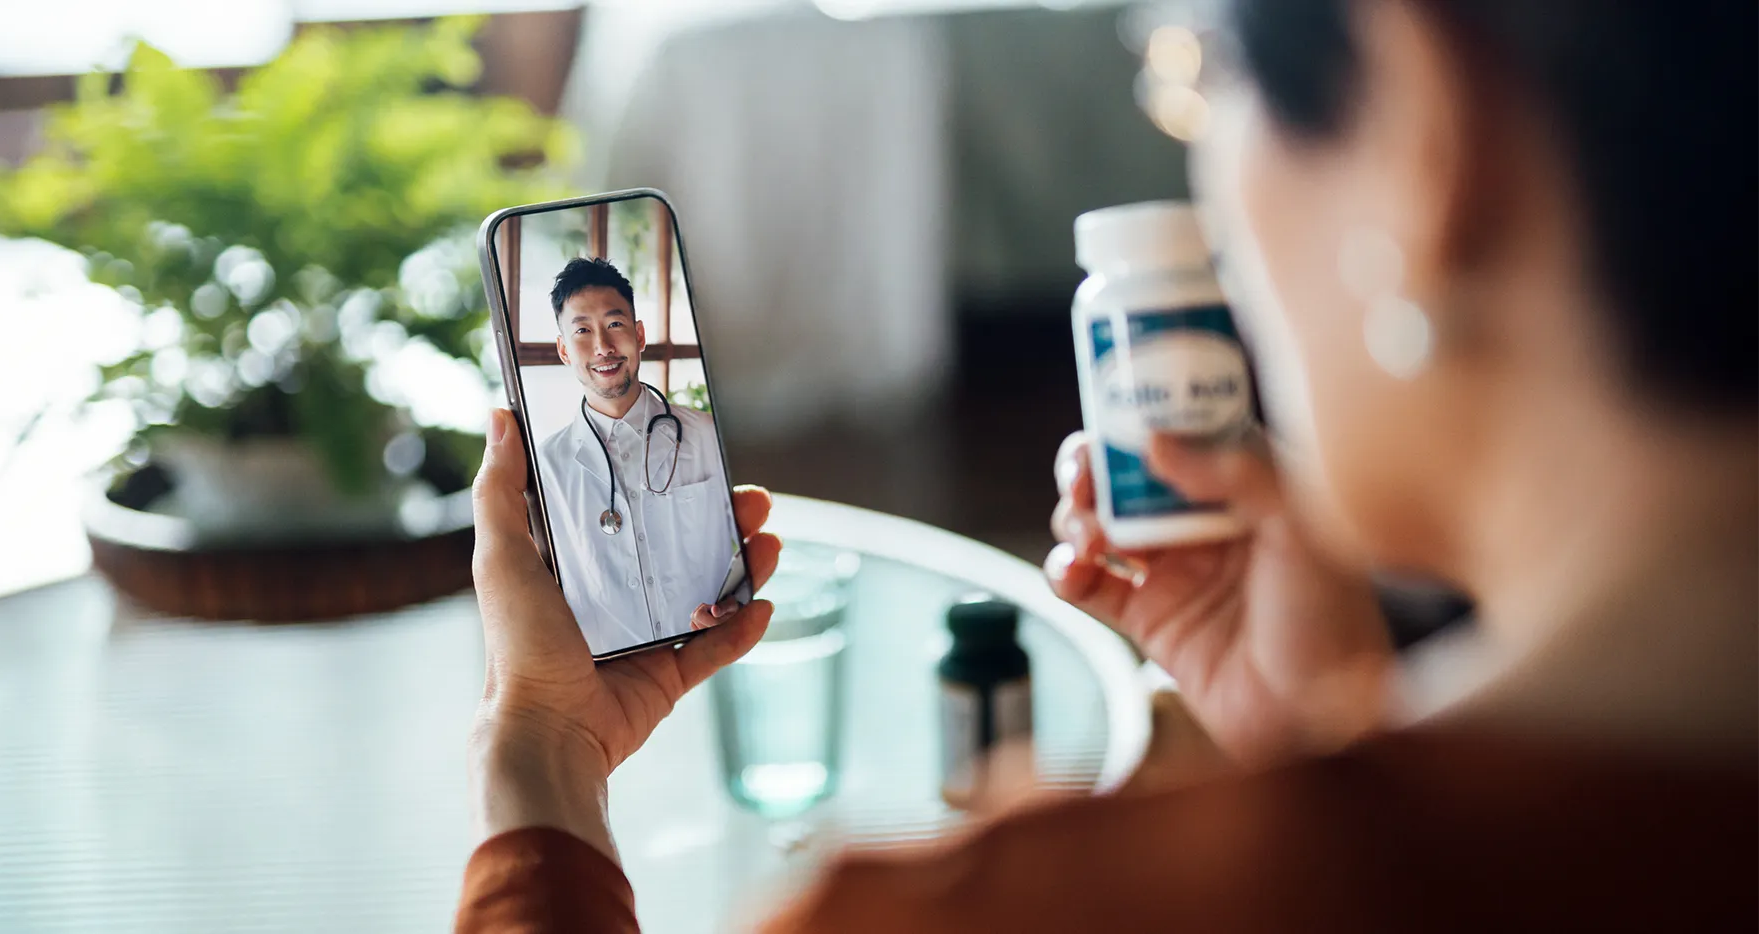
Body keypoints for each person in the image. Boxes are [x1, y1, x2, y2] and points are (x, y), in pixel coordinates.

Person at [458, 0, 1759, 930]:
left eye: (1201, 71)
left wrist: (544, 757)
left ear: (1425, 131)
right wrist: (1325, 739)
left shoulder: (1004, 910)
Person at [533, 256, 749, 657]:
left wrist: (738, 601)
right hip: (609, 680)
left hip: (712, 655)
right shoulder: (542, 470)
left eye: (615, 324)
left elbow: (751, 549)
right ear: (563, 350)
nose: (603, 347)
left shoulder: (709, 435)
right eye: (583, 330)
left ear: (640, 334)